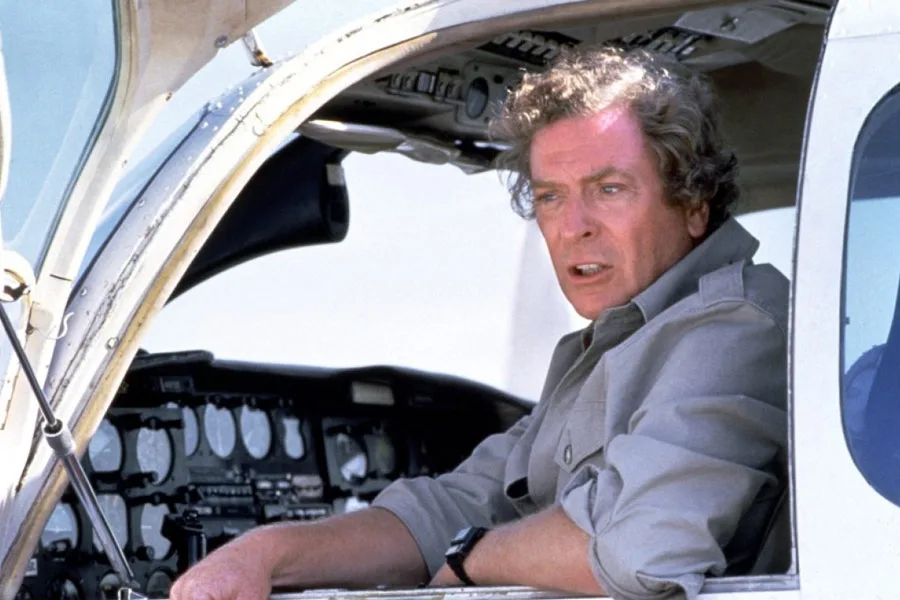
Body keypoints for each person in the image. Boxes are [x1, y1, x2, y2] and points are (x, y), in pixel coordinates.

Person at [170, 45, 788, 600]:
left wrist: (471, 560)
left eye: (608, 189)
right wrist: (263, 555)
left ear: (694, 204)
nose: (573, 228)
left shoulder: (737, 327)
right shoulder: (617, 343)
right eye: (550, 196)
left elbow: (635, 549)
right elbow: (451, 507)